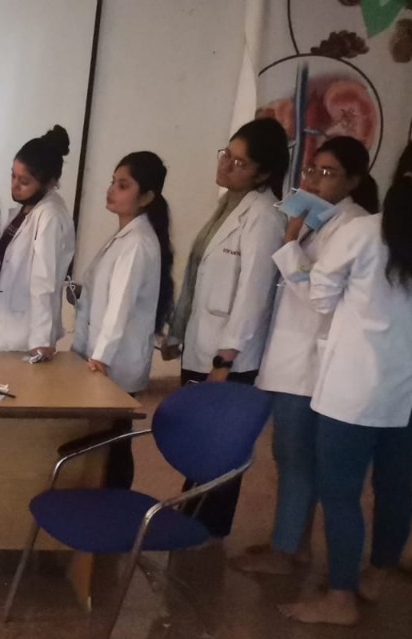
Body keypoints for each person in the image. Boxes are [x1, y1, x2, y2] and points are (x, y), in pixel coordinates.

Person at [277, 138, 412, 625]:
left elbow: (319, 299)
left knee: (340, 492)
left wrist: (292, 251)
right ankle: (375, 575)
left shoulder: (363, 233)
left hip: (353, 389)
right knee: (396, 487)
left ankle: (340, 598)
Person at [237, 136, 377, 575]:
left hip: (309, 363)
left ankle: (287, 550)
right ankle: (291, 542)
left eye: (327, 173)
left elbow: (319, 297)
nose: (314, 180)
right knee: (290, 456)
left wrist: (289, 244)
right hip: (292, 356)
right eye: (311, 170)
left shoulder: (352, 226)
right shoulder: (322, 220)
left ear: (353, 181)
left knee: (296, 458)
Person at [163, 117, 288, 538]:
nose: (227, 165)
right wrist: (177, 332)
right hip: (203, 345)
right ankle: (190, 523)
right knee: (198, 443)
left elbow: (253, 296)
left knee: (219, 449)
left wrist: (225, 360)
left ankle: (207, 533)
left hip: (228, 357)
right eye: (227, 155)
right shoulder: (229, 206)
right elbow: (199, 277)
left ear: (263, 174)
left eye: (240, 162)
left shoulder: (264, 217)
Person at [72, 151, 174, 488]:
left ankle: (115, 501)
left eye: (123, 185)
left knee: (114, 442)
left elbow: (120, 307)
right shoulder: (126, 236)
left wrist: (100, 358)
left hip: (114, 362)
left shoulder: (138, 243)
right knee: (107, 440)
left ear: (146, 197)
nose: (111, 190)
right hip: (103, 356)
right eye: (113, 182)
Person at [0, 125, 76, 356]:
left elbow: (44, 281)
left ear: (49, 183)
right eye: (13, 175)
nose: (14, 185)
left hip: (28, 337)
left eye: (24, 181)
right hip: (7, 328)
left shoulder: (50, 215)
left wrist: (41, 341)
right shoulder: (25, 209)